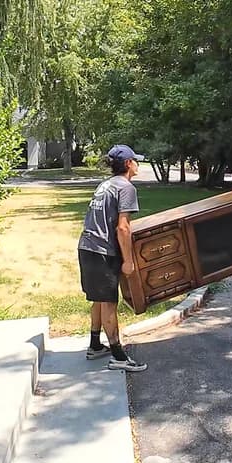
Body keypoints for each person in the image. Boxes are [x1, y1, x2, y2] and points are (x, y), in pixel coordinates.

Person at [78, 144, 148, 372]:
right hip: (102, 251)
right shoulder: (125, 187)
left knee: (98, 298)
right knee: (109, 302)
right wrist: (128, 260)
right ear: (128, 164)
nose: (137, 164)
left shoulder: (105, 185)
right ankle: (118, 355)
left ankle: (95, 344)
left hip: (86, 246)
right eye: (135, 160)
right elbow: (123, 228)